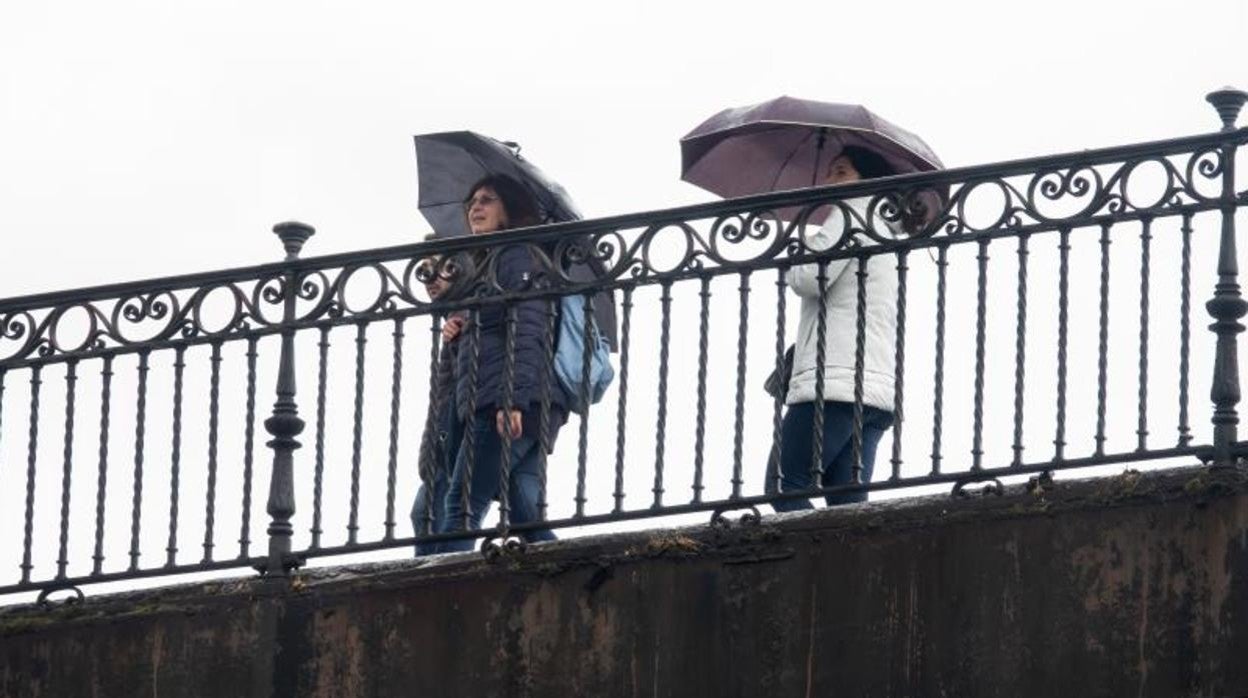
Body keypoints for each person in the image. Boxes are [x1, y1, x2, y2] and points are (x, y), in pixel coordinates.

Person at [434, 173, 569, 551]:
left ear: (509, 210)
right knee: (525, 513)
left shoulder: (517, 255)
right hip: (519, 400)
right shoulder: (490, 264)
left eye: (487, 200)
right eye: (472, 201)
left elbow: (529, 328)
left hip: (505, 402)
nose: (475, 206)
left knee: (460, 507)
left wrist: (512, 399)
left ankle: (448, 595)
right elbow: (491, 337)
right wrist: (459, 331)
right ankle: (589, 572)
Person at [767, 145, 900, 510]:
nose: (830, 180)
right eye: (830, 172)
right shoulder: (885, 228)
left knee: (783, 485)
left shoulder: (849, 213)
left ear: (866, 179)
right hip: (873, 390)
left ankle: (817, 566)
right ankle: (857, 567)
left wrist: (797, 253)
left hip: (835, 380)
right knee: (847, 507)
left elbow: (810, 278)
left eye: (841, 171)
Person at [410, 241, 471, 555]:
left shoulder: (469, 309)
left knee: (437, 513)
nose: (430, 278)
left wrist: (461, 335)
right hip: (445, 432)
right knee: (426, 513)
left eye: (439, 268)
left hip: (459, 430)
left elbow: (471, 376)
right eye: (423, 271)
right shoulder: (455, 316)